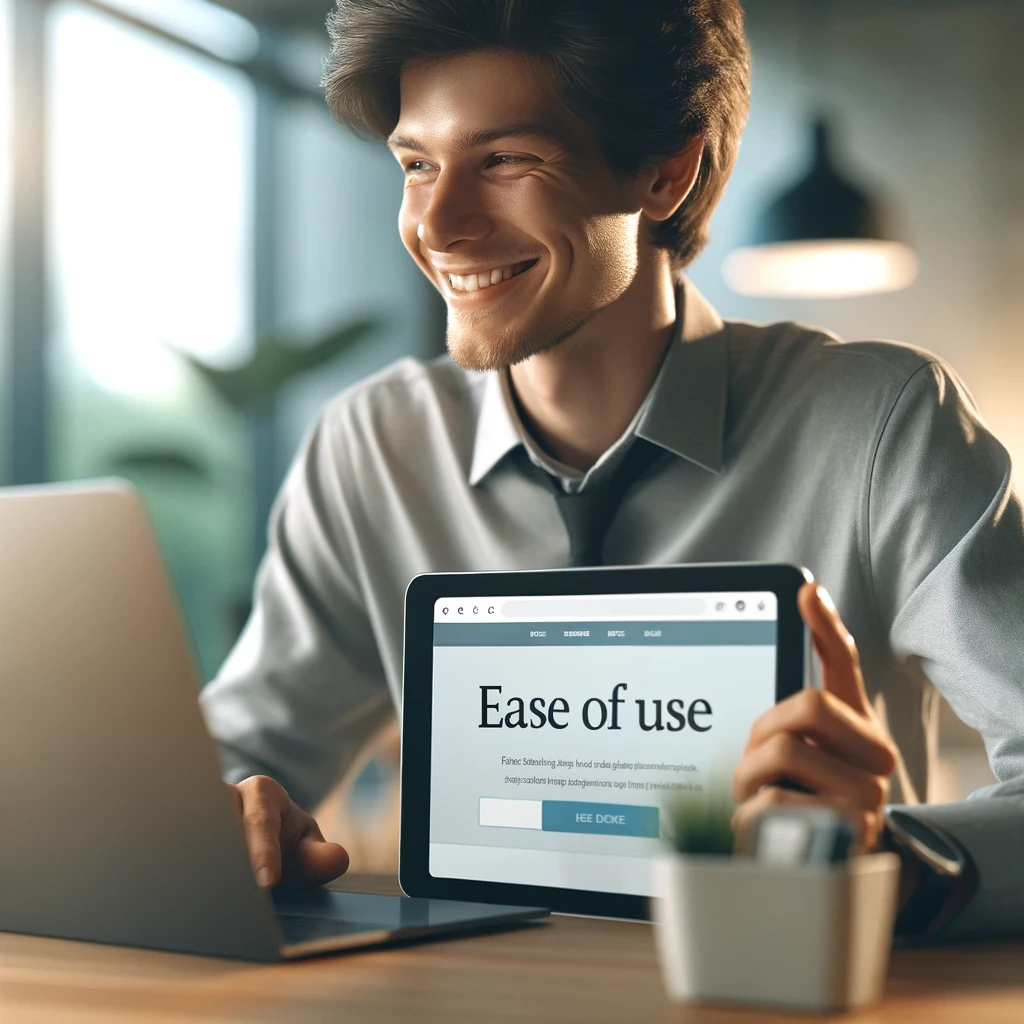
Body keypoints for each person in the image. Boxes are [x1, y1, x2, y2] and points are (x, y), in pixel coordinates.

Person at [200, 0, 1024, 939]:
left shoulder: (883, 426)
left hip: (776, 990)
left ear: (665, 171)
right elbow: (238, 754)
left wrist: (898, 860)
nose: (438, 223)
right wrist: (235, 811)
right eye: (417, 165)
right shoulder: (371, 445)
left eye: (505, 160)